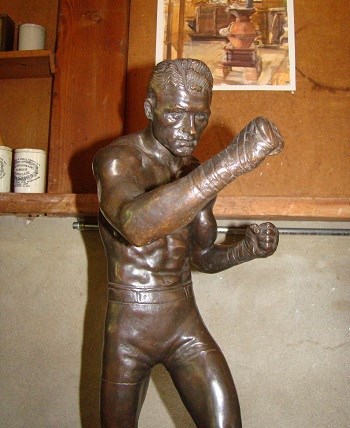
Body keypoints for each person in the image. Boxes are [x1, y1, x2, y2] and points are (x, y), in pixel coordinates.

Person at [93, 58, 283, 427]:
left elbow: (204, 257)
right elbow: (136, 226)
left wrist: (247, 250)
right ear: (151, 109)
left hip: (184, 324)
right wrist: (232, 161)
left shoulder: (194, 171)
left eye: (199, 116)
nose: (189, 129)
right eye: (176, 114)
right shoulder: (117, 161)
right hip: (130, 331)